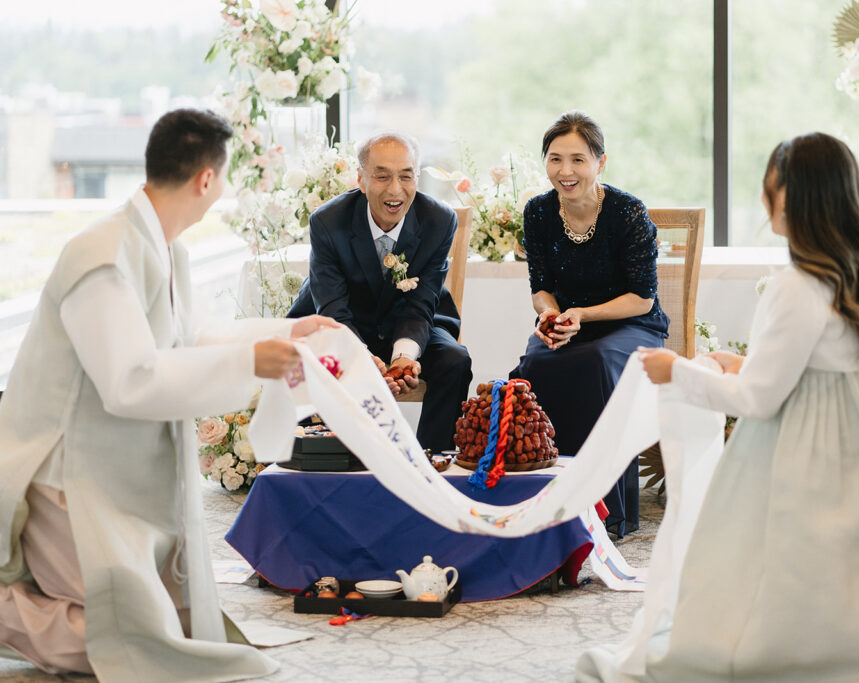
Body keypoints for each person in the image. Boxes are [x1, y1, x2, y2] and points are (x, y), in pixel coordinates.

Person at [579, 132, 859, 681]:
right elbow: (824, 363)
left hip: (808, 444)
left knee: (786, 561)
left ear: (794, 200)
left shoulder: (797, 284)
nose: (768, 210)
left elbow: (760, 401)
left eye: (771, 194)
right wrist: (747, 362)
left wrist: (682, 372)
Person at [0, 109, 339, 681]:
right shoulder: (103, 254)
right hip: (70, 475)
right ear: (208, 179)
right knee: (127, 642)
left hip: (123, 471)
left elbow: (192, 341)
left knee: (173, 630)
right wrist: (249, 363)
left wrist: (286, 333)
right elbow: (129, 381)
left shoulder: (166, 248)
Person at [512, 111, 668, 537]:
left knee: (596, 361)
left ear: (601, 162)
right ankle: (551, 505)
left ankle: (604, 511)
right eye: (555, 159)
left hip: (631, 325)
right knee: (537, 362)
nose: (566, 171)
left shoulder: (627, 211)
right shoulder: (538, 212)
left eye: (578, 159)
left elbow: (643, 297)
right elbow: (541, 287)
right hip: (568, 323)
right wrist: (550, 315)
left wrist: (583, 315)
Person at [290, 132, 473, 453]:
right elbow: (332, 307)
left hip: (411, 324)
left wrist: (403, 358)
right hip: (340, 326)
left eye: (406, 176)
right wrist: (360, 358)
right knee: (308, 362)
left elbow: (422, 301)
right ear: (360, 179)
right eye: (382, 176)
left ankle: (430, 466)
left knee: (454, 361)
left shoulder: (438, 221)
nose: (395, 189)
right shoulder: (327, 222)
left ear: (417, 176)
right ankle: (320, 462)